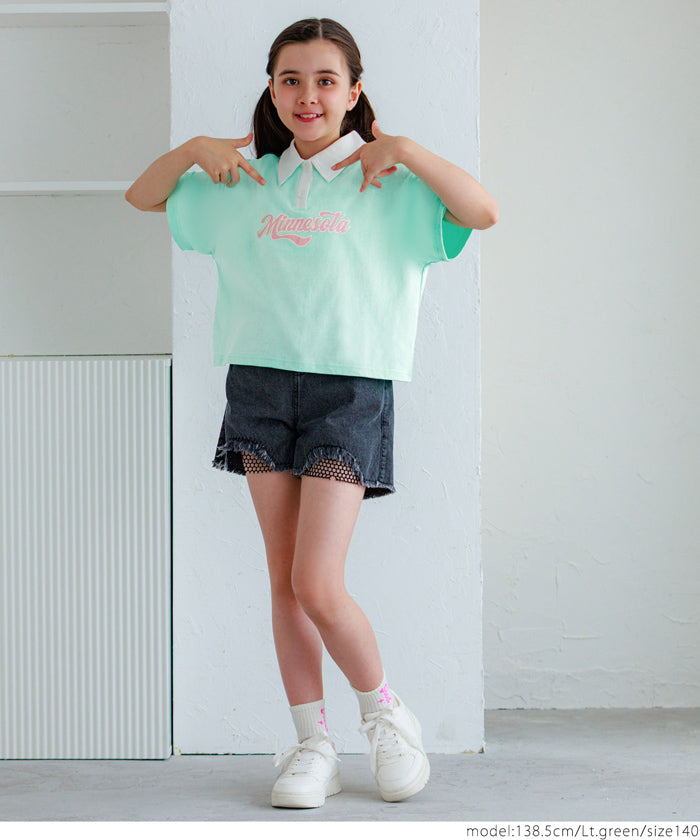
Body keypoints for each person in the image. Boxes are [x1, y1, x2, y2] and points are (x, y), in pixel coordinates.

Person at [126, 16, 498, 809]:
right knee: (285, 584)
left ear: (354, 91)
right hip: (260, 388)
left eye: (326, 80)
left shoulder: (385, 181)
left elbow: (482, 211)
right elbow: (143, 196)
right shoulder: (244, 182)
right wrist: (193, 149)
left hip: (351, 391)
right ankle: (311, 744)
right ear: (271, 90)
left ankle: (386, 715)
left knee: (316, 581)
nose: (307, 96)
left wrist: (407, 150)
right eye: (290, 80)